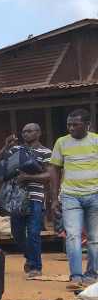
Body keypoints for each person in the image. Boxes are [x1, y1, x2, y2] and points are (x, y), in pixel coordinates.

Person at [49, 109, 98, 288]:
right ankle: (76, 276)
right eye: (69, 125)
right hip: (70, 196)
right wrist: (55, 198)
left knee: (94, 238)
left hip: (95, 195)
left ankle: (92, 274)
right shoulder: (61, 142)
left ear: (87, 125)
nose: (71, 128)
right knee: (72, 236)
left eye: (75, 125)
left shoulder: (96, 141)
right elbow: (54, 169)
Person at [0, 123, 52, 277]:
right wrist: (5, 147)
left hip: (35, 197)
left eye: (29, 131)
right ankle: (30, 256)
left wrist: (28, 177)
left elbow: (49, 175)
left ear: (38, 133)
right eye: (24, 131)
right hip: (16, 198)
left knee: (34, 232)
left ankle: (35, 267)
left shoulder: (46, 152)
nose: (26, 134)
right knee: (17, 233)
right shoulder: (16, 149)